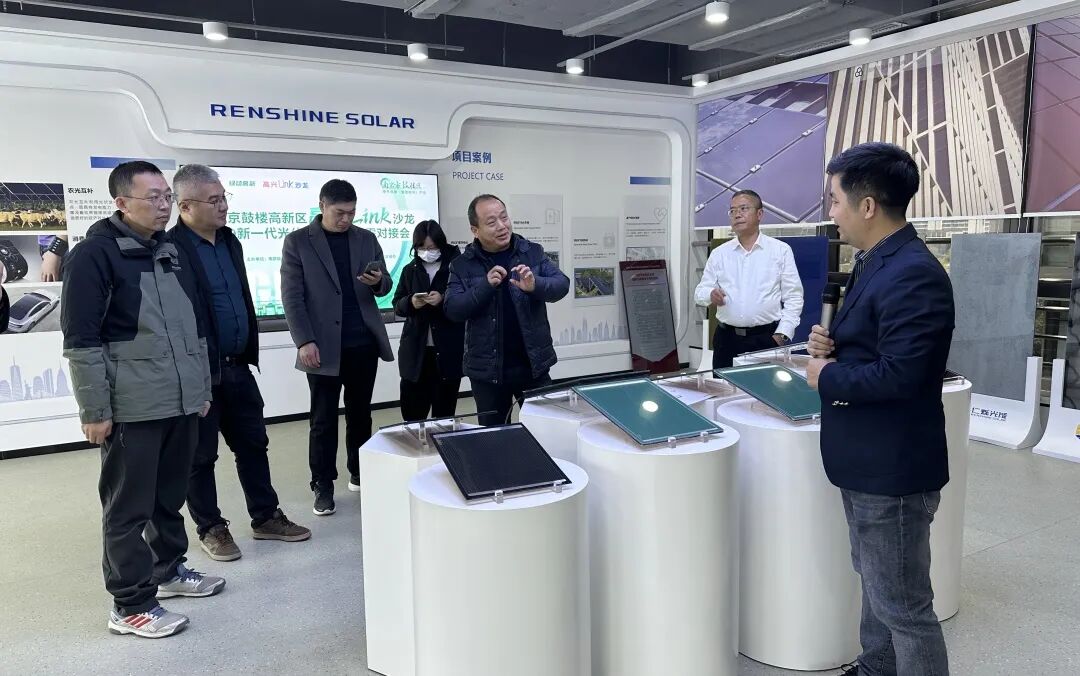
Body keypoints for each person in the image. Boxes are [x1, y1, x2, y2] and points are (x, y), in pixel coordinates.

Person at [805, 142, 954, 676]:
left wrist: (827, 375)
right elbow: (878, 346)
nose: (831, 212)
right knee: (876, 582)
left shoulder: (913, 272)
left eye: (835, 200)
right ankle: (876, 667)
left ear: (867, 206)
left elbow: (903, 375)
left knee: (904, 607)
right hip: (868, 460)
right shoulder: (876, 261)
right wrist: (834, 347)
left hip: (894, 469)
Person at [61, 161, 223, 639]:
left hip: (180, 401)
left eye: (166, 196)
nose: (163, 205)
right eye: (152, 197)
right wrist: (95, 410)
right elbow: (81, 340)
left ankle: (168, 570)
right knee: (128, 508)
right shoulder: (94, 256)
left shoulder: (171, 250)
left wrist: (200, 390)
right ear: (121, 202)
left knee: (168, 498)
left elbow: (194, 330)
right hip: (132, 406)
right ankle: (129, 603)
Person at [170, 164, 310, 562]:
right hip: (200, 371)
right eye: (213, 200)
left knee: (253, 444)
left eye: (224, 197)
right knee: (200, 456)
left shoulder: (230, 241)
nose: (223, 206)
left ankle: (265, 517)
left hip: (238, 366)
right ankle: (211, 527)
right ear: (185, 206)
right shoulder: (170, 249)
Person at [280, 179, 393, 517]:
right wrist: (304, 340)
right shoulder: (298, 242)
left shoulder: (366, 238)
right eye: (339, 213)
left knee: (361, 414)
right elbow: (292, 296)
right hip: (322, 346)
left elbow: (386, 283)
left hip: (363, 343)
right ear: (322, 206)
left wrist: (379, 282)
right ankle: (323, 484)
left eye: (352, 213)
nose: (346, 219)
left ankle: (359, 472)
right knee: (323, 419)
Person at [444, 194, 569, 426]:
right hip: (487, 373)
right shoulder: (462, 265)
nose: (502, 226)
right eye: (492, 222)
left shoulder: (532, 252)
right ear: (475, 230)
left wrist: (535, 285)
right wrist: (485, 286)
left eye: (504, 217)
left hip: (533, 366)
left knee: (544, 431)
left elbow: (562, 285)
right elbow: (453, 309)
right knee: (494, 438)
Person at [694, 190, 804, 368]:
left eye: (743, 208)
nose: (737, 214)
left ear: (760, 214)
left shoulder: (780, 251)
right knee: (723, 386)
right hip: (726, 340)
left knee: (763, 385)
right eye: (732, 210)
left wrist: (782, 334)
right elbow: (700, 292)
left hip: (765, 339)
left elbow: (794, 297)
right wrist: (710, 294)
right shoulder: (719, 254)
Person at [392, 220, 465, 421]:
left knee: (444, 415)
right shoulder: (410, 270)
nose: (427, 252)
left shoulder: (456, 267)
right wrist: (411, 302)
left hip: (448, 351)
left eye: (432, 248)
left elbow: (467, 301)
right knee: (413, 415)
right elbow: (397, 303)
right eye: (422, 248)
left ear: (441, 244)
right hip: (416, 352)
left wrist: (443, 299)